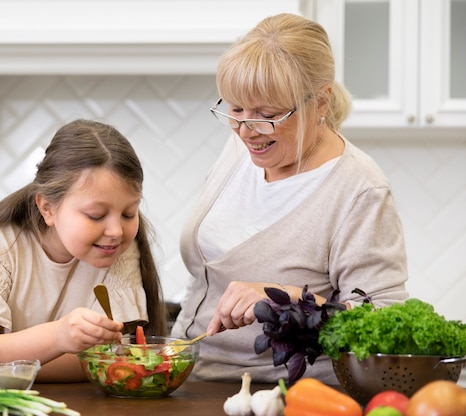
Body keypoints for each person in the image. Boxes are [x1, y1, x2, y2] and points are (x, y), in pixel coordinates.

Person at [171, 13, 409, 384]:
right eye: (234, 109)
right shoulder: (243, 144)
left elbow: (386, 322)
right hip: (193, 375)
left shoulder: (360, 190)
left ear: (321, 102)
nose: (246, 130)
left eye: (267, 115)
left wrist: (294, 298)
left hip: (287, 393)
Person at [0, 119, 166, 384]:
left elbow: (115, 360)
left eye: (129, 213)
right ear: (48, 209)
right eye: (96, 215)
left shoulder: (121, 253)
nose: (117, 231)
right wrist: (57, 338)